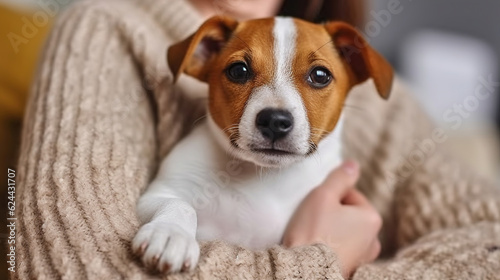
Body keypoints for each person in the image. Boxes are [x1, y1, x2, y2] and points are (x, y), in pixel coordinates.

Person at [15, 0, 500, 279]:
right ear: (202, 59)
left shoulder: (368, 87)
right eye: (242, 71)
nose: (277, 113)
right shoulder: (105, 27)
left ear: (354, 71)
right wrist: (324, 262)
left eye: (316, 78)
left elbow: (490, 242)